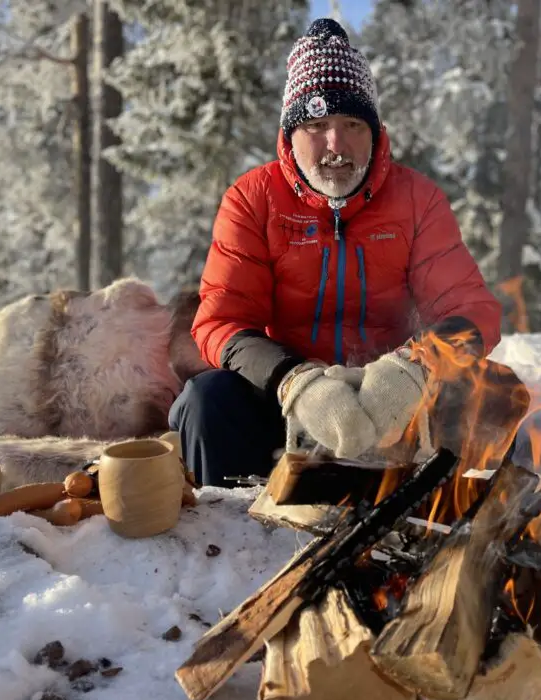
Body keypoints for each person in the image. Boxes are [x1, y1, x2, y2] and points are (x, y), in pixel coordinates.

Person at [169, 17, 503, 487]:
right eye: (316, 125)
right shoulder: (253, 198)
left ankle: (449, 517)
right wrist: (295, 382)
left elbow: (473, 312)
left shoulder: (417, 199)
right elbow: (221, 321)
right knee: (206, 400)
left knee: (489, 393)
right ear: (290, 134)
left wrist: (414, 366)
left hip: (396, 407)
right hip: (288, 406)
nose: (336, 145)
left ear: (375, 132)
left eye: (352, 125)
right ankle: (232, 529)